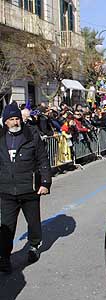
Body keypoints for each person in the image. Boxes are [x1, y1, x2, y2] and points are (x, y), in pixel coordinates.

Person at [0, 102, 51, 273]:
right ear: (5, 121)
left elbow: (43, 159)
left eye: (17, 118)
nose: (15, 122)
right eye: (11, 119)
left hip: (29, 188)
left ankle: (34, 247)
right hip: (7, 191)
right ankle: (4, 258)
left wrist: (45, 183)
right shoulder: (0, 137)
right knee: (7, 226)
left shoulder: (31, 134)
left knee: (33, 222)